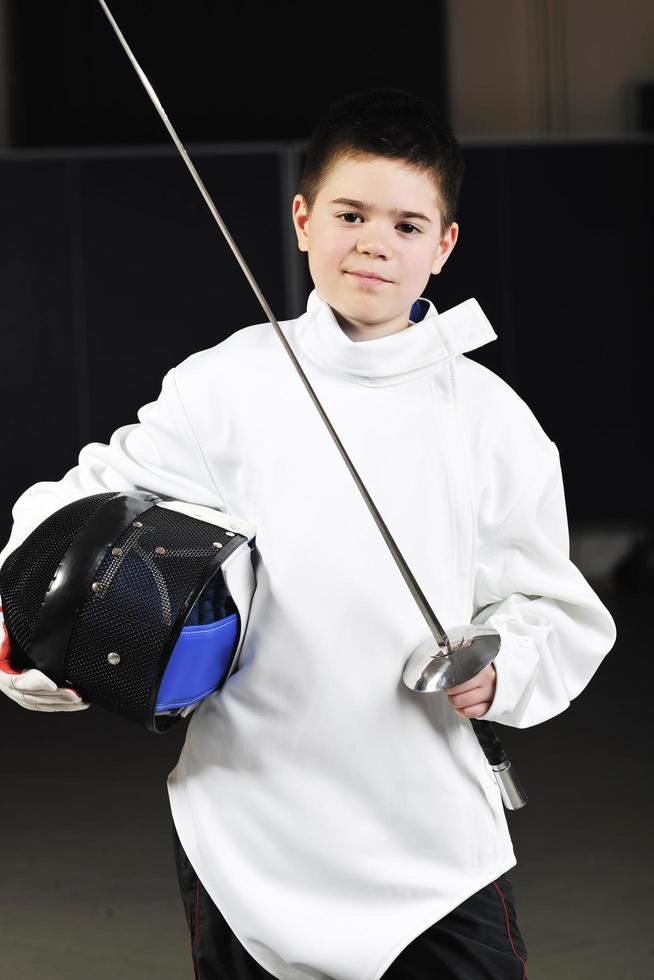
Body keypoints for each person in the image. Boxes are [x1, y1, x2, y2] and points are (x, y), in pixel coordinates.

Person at [0, 88, 616, 979]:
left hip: (432, 845)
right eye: (350, 213)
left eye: (407, 225)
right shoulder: (229, 384)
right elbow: (73, 507)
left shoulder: (494, 421)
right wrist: (31, 625)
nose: (373, 242)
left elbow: (555, 609)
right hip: (245, 831)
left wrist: (504, 665)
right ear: (301, 219)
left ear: (444, 246)